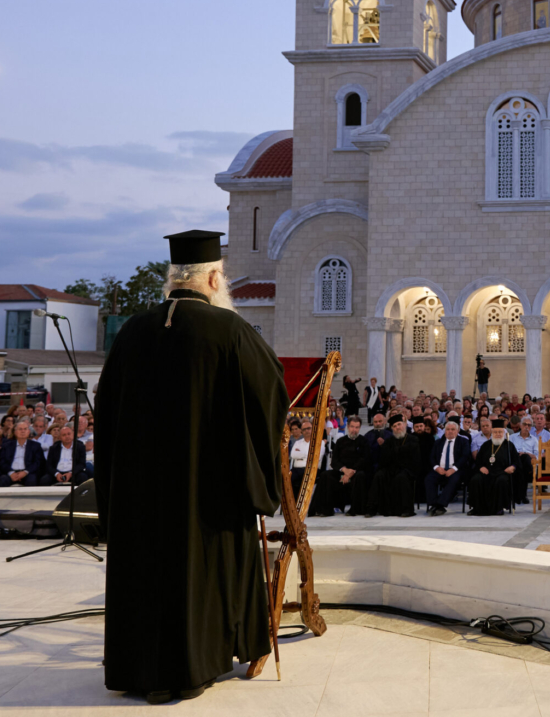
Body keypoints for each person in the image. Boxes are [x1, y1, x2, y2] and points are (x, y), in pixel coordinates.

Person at [94, 230, 287, 702]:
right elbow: (271, 400)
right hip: (208, 494)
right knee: (198, 573)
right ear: (215, 277)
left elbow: (107, 415)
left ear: (172, 280)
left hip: (139, 494)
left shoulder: (133, 332)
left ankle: (136, 668)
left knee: (145, 572)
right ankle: (193, 666)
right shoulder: (230, 330)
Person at [368, 416, 421, 517]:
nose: (398, 427)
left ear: (404, 425)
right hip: (391, 469)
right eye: (395, 426)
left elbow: (415, 459)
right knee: (379, 475)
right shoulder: (389, 441)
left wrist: (396, 453)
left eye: (399, 424)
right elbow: (384, 459)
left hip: (407, 470)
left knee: (401, 477)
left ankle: (406, 510)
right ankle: (372, 508)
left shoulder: (413, 439)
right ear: (392, 428)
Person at [468, 419, 516, 515]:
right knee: (475, 479)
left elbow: (516, 462)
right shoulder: (486, 445)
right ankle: (477, 508)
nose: (498, 434)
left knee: (501, 481)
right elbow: (478, 460)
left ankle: (499, 508)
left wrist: (512, 467)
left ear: (504, 432)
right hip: (487, 472)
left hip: (502, 472)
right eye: (495, 432)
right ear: (492, 432)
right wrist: (481, 467)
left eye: (500, 432)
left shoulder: (509, 445)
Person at [425, 420, 470, 516]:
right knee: (429, 479)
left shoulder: (463, 441)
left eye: (453, 429)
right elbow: (431, 457)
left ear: (457, 431)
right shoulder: (438, 442)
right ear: (444, 431)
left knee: (454, 480)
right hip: (440, 469)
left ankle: (440, 505)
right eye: (448, 429)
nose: (450, 431)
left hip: (456, 470)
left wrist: (453, 469)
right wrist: (437, 468)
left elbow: (465, 456)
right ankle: (434, 504)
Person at [326, 416, 371, 515]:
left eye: (357, 427)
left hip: (357, 471)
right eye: (352, 427)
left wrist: (351, 472)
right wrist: (344, 470)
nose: (354, 430)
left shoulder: (364, 441)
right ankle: (324, 509)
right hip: (342, 471)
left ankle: (355, 509)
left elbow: (364, 460)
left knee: (361, 476)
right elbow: (334, 461)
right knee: (326, 475)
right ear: (347, 426)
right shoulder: (340, 441)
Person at [0, 419, 45, 486]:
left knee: (32, 480)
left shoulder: (35, 446)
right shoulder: (7, 445)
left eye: (25, 429)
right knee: (2, 480)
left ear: (29, 432)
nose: (22, 431)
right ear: (15, 432)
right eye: (20, 429)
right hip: (10, 473)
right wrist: (11, 473)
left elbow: (37, 462)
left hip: (27, 473)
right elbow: (2, 462)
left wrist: (25, 472)